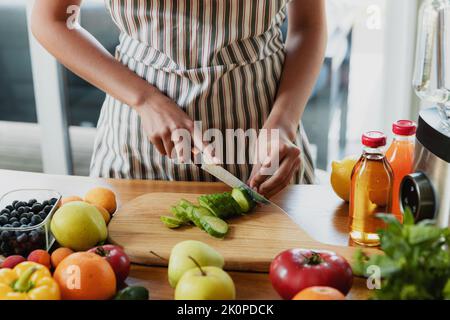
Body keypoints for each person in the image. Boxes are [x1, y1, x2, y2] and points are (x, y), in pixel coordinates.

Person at [31, 0, 326, 198]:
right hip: (139, 148)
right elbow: (53, 20)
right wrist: (145, 100)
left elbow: (308, 26)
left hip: (263, 138)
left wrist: (283, 124)